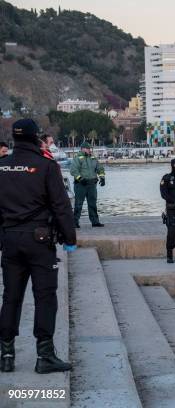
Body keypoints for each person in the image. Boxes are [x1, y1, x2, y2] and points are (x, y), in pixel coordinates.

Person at [0, 119, 76, 374]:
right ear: (35, 138)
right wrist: (70, 239)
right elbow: (61, 206)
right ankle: (44, 355)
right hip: (39, 240)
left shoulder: (2, 166)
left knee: (11, 297)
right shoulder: (46, 166)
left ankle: (6, 354)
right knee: (45, 297)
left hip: (10, 239)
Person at [70, 141, 105, 228]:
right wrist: (80, 179)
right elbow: (73, 170)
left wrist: (102, 178)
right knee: (78, 204)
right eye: (88, 148)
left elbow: (100, 168)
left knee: (92, 203)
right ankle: (75, 222)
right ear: (83, 149)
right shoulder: (77, 158)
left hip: (92, 185)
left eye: (90, 148)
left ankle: (95, 222)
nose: (90, 150)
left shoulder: (93, 158)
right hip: (80, 185)